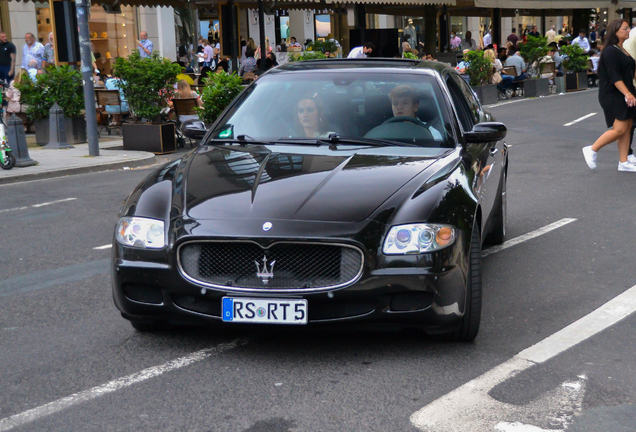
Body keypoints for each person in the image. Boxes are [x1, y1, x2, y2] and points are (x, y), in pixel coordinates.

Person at [582, 19, 636, 172]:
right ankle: (592, 149)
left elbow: (631, 72)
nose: (628, 31)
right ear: (615, 31)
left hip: (626, 91)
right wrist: (627, 93)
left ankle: (623, 161)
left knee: (627, 127)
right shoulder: (610, 51)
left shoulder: (622, 49)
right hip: (614, 94)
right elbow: (614, 76)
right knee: (619, 129)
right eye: (625, 28)